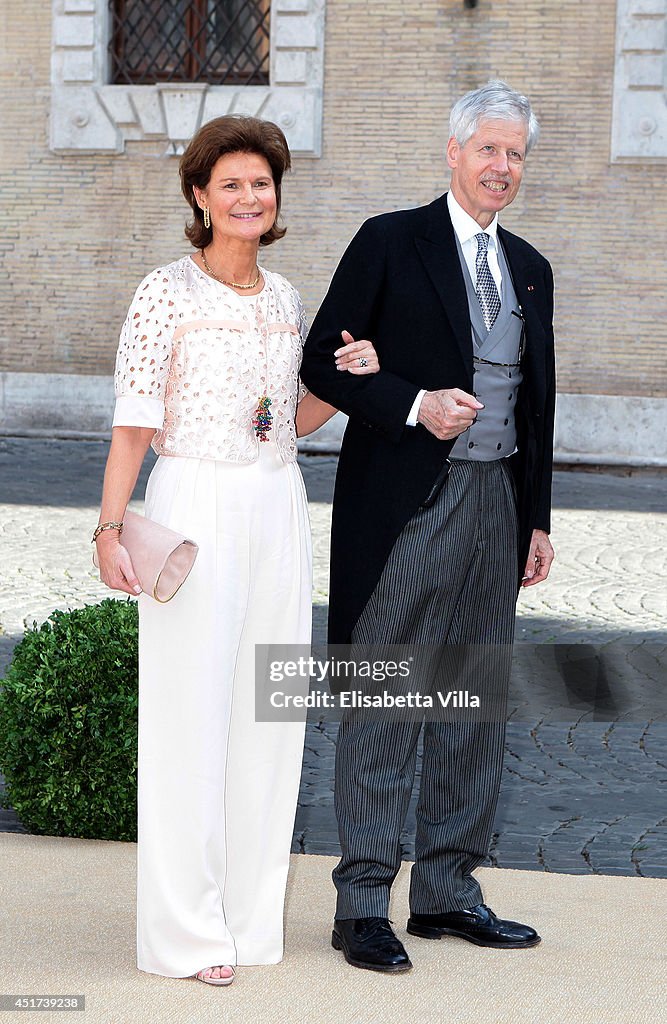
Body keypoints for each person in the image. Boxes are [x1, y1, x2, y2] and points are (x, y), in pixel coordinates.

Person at [94, 115, 379, 986]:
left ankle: (249, 921)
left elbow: (281, 424)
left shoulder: (289, 300)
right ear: (199, 196)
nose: (249, 197)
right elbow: (134, 426)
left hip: (275, 505)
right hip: (192, 505)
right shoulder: (164, 292)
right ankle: (185, 933)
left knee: (268, 716)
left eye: (261, 183)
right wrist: (109, 530)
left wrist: (343, 388)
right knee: (191, 720)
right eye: (231, 185)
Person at [300, 81, 556, 972]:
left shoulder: (529, 265)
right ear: (452, 153)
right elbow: (321, 361)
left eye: (514, 153)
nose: (501, 167)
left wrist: (535, 517)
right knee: (387, 697)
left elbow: (537, 404)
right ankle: (362, 903)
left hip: (496, 504)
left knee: (471, 703)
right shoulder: (388, 240)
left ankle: (447, 895)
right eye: (487, 149)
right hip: (409, 503)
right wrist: (409, 404)